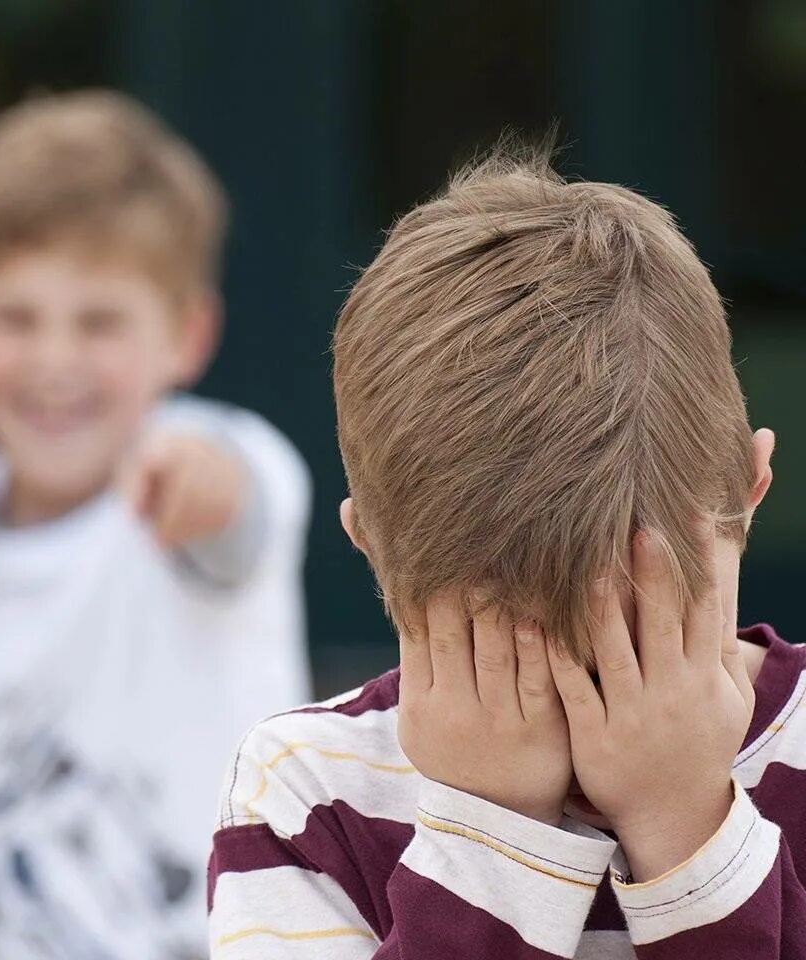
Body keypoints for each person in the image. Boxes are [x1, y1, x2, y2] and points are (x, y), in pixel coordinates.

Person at [206, 144, 806, 959]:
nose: (598, 720)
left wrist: (685, 823)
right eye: (517, 647)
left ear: (750, 493)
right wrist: (493, 833)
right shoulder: (306, 793)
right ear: (374, 552)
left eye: (633, 635)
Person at [0, 90, 313, 960]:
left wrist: (202, 484)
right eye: (17, 318)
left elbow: (235, 509)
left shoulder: (212, 454)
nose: (55, 361)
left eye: (100, 322)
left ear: (188, 335)